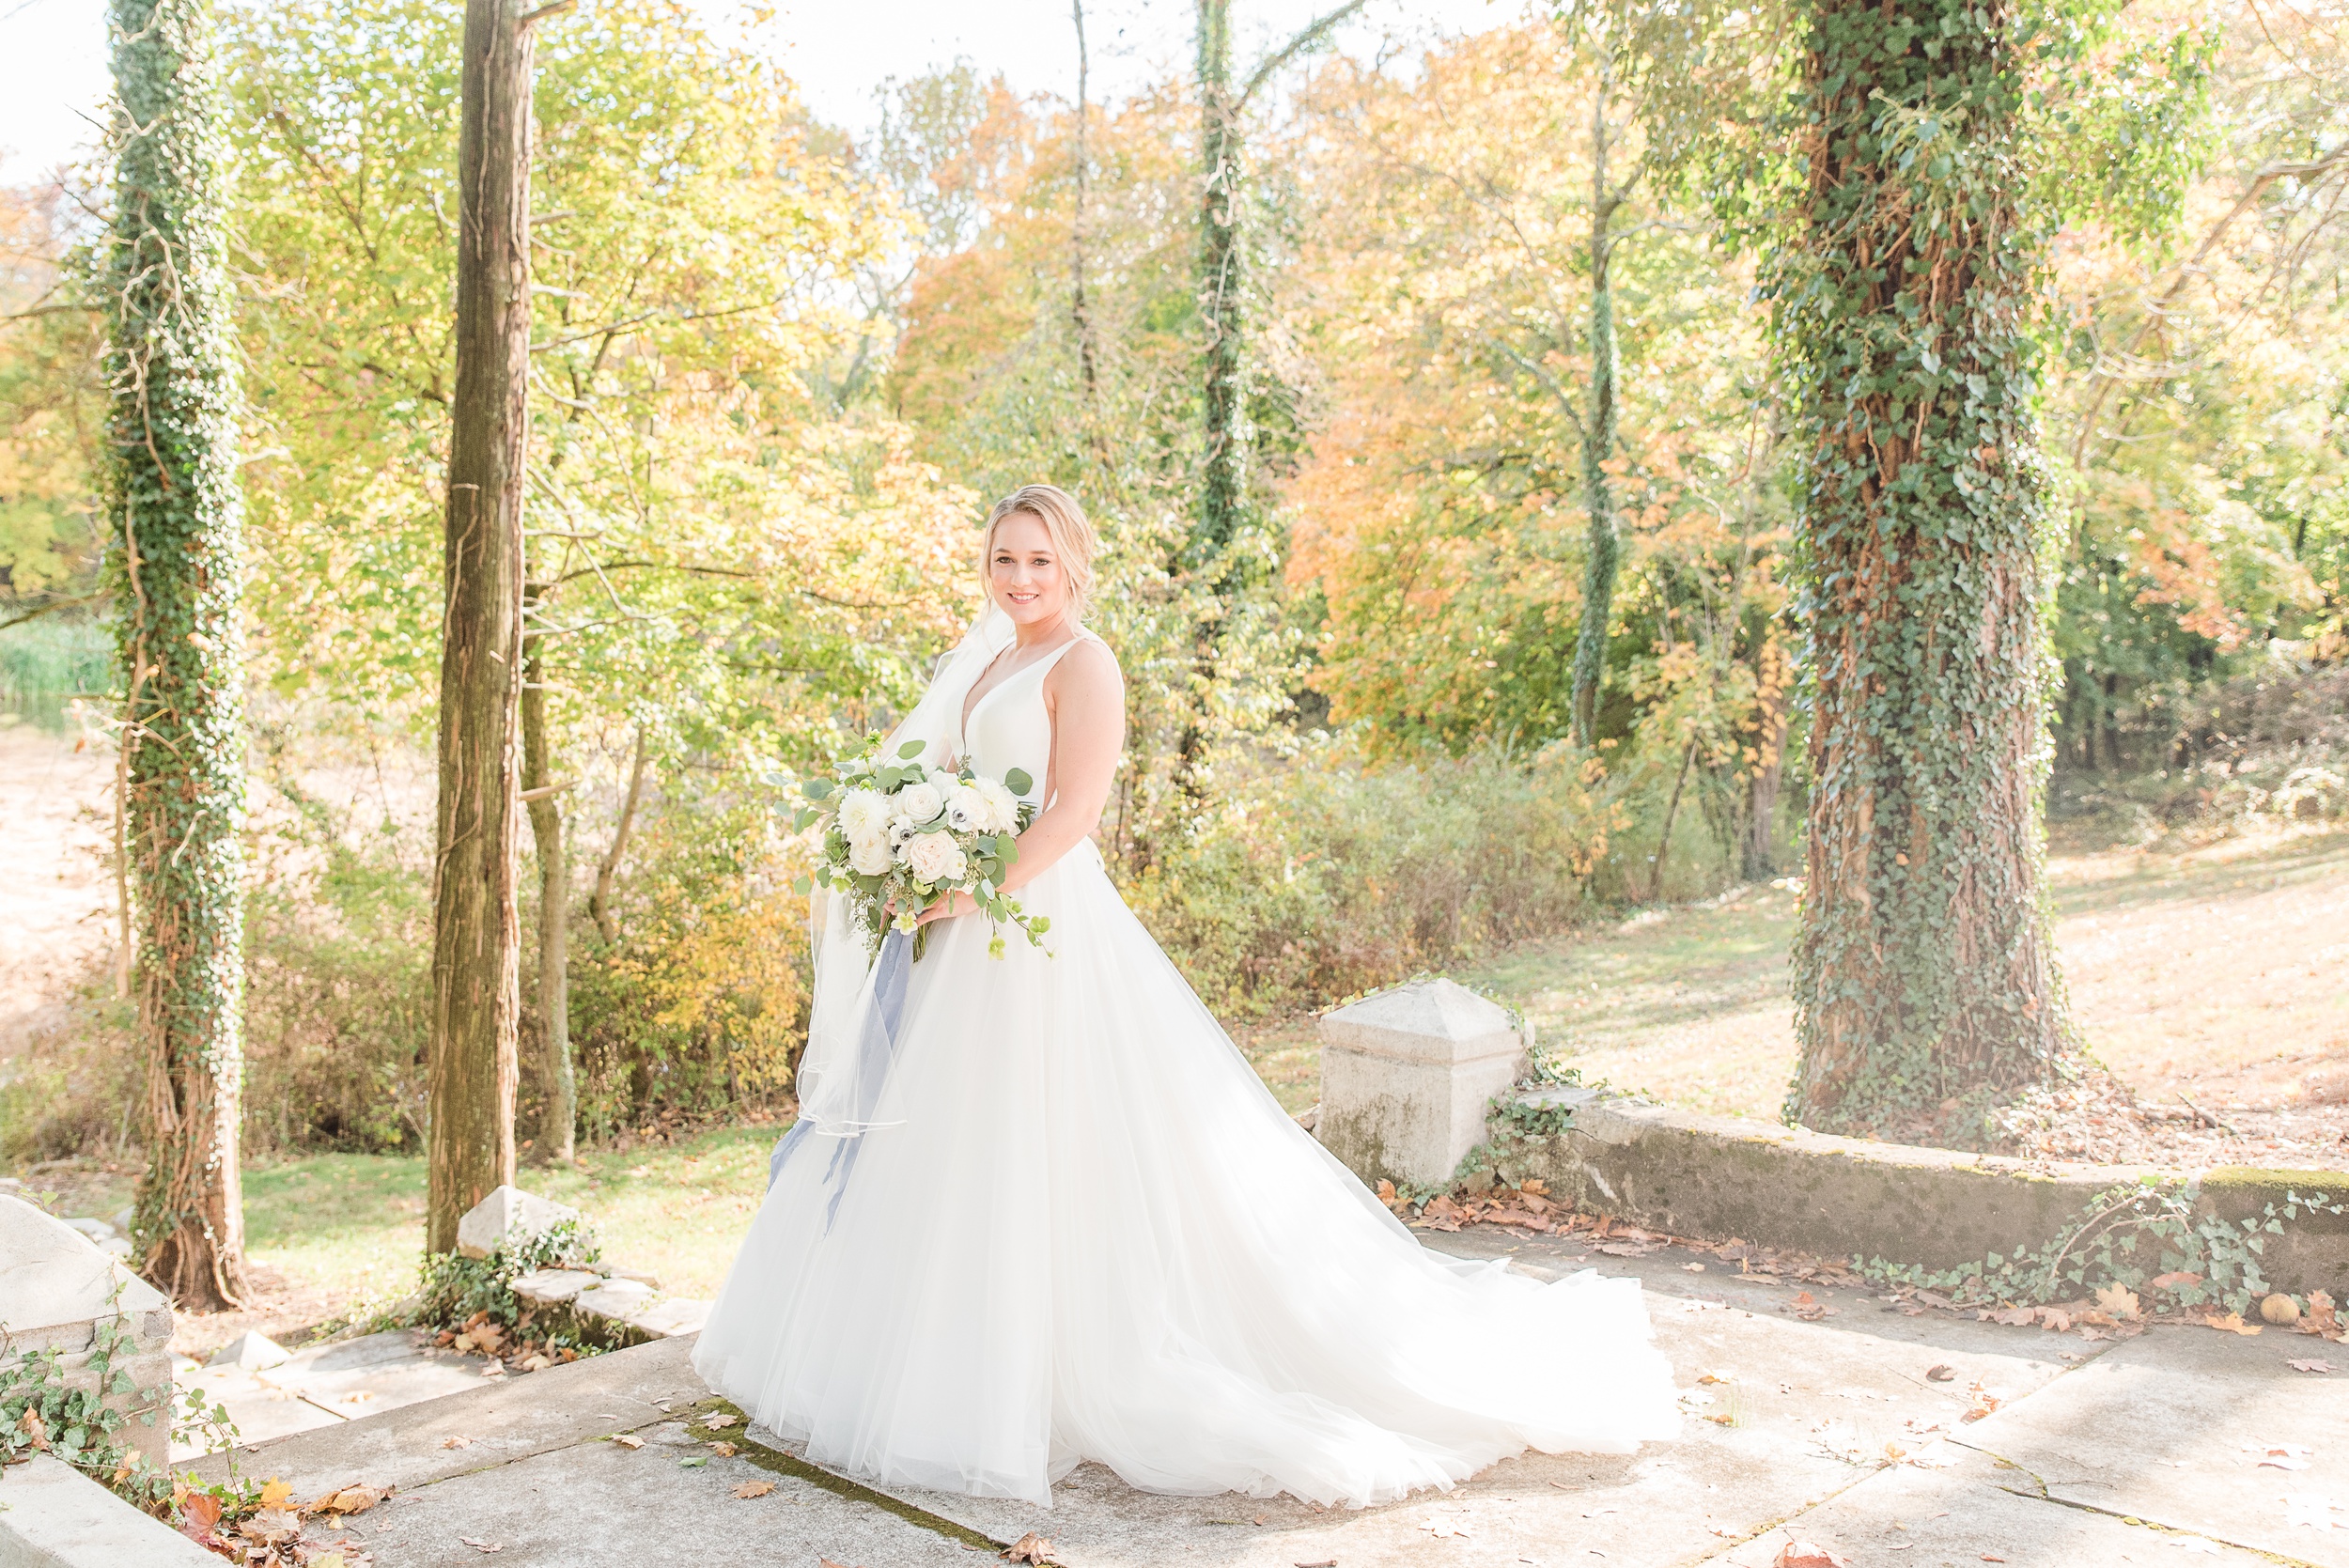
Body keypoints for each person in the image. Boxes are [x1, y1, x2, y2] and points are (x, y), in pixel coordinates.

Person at [692, 484, 1677, 1509]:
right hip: (961, 929)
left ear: (1073, 563)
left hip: (1036, 924)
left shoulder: (1086, 663)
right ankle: (933, 1354)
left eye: (1038, 560)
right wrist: (909, 837)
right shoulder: (987, 658)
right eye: (1003, 560)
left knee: (1048, 1136)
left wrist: (970, 881)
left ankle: (1054, 1368)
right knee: (951, 1141)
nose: (1020, 578)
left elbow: (1074, 812)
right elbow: (944, 769)